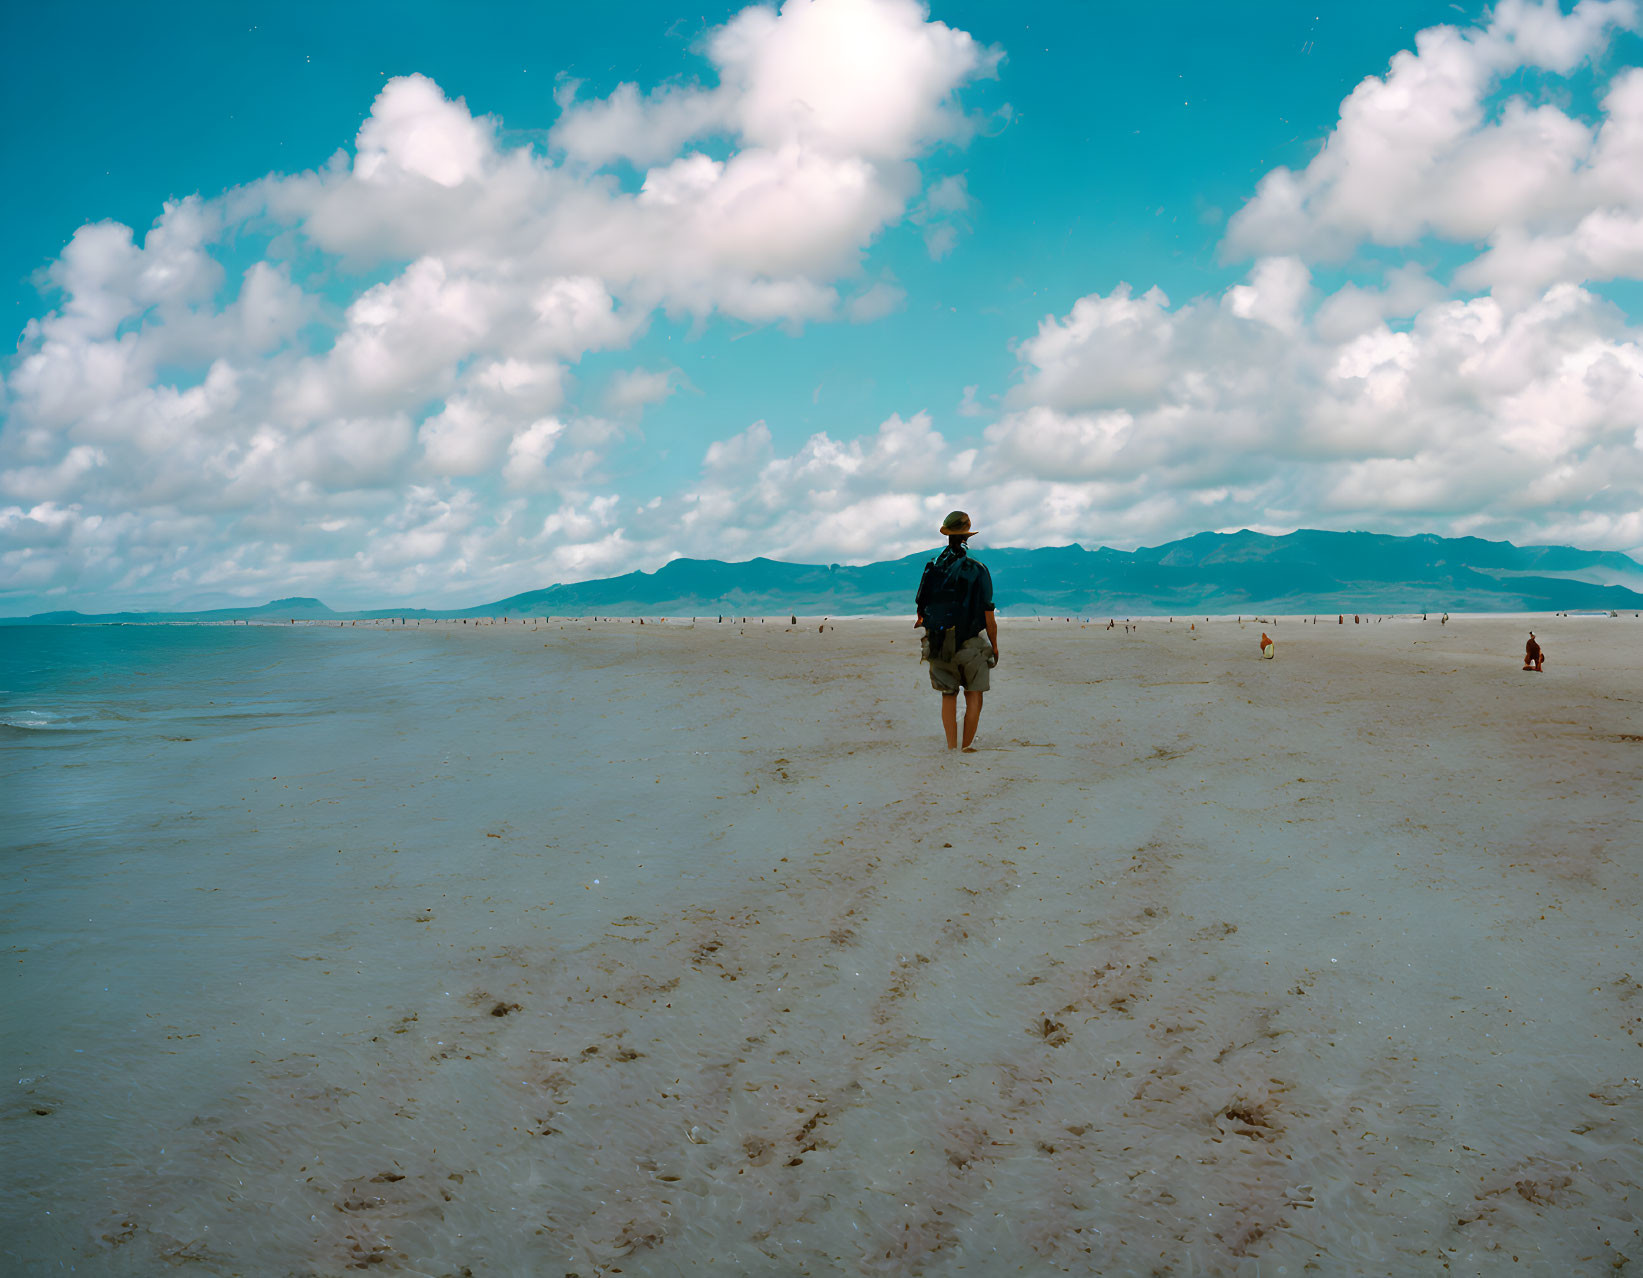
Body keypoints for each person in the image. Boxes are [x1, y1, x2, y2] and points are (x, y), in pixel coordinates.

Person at [915, 511, 998, 752]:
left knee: (948, 695)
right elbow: (988, 613)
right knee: (974, 694)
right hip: (970, 642)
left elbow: (920, 604)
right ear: (966, 536)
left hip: (939, 640)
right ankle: (967, 745)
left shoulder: (932, 568)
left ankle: (952, 746)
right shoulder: (977, 569)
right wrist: (994, 644)